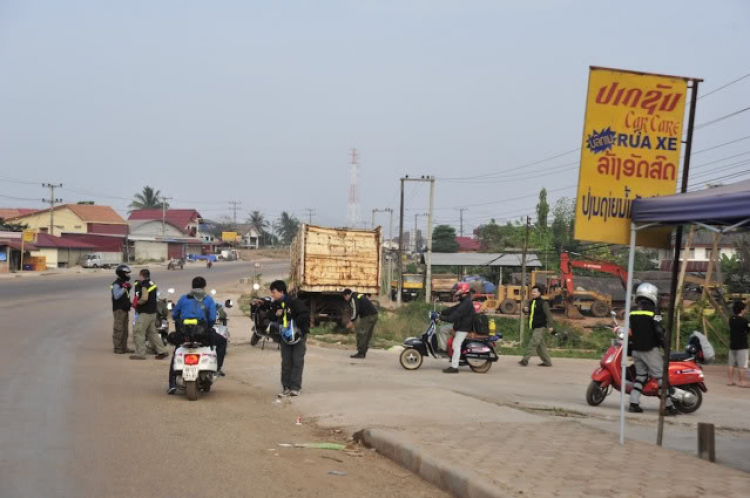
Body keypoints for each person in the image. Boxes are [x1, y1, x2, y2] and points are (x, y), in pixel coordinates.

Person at [166, 276, 226, 394]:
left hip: (184, 335)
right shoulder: (208, 299)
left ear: (192, 286)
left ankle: (172, 385)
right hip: (202, 335)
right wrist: (207, 326)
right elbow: (213, 318)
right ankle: (217, 368)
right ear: (204, 287)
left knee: (177, 351)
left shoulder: (183, 298)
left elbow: (174, 315)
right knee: (222, 342)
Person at [627, 282, 677, 415]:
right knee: (661, 377)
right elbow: (659, 330)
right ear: (652, 295)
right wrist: (665, 346)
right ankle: (668, 406)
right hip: (649, 349)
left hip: (636, 350)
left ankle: (633, 403)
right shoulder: (656, 312)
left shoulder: (632, 311)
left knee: (640, 377)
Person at [270, 280, 310, 397]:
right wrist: (277, 314)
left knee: (297, 361)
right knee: (286, 362)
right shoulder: (275, 303)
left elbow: (304, 314)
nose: (273, 295)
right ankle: (286, 387)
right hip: (285, 337)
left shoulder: (294, 302)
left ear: (281, 292)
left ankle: (295, 387)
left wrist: (293, 325)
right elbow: (271, 316)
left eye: (274, 292)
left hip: (298, 336)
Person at [130, 269, 169, 360]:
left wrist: (137, 303)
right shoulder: (152, 283)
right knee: (152, 333)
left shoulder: (144, 286)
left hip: (145, 313)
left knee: (138, 332)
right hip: (153, 313)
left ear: (142, 275)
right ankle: (162, 351)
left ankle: (141, 353)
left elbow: (144, 298)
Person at [439, 282, 475, 374]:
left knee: (456, 345)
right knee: (442, 329)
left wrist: (442, 318)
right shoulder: (464, 301)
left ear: (462, 291)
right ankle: (443, 349)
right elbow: (454, 309)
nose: (456, 292)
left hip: (463, 327)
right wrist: (442, 312)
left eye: (458, 290)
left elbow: (456, 315)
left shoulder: (467, 302)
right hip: (459, 325)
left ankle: (454, 367)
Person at [519, 285, 554, 367]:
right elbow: (525, 310)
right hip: (534, 327)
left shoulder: (543, 303)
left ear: (539, 293)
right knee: (540, 346)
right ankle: (547, 362)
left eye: (535, 292)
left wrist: (551, 326)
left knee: (533, 342)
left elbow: (549, 315)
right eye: (532, 291)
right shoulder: (531, 302)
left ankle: (525, 360)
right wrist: (525, 309)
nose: (533, 293)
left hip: (540, 326)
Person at [344, 289, 379, 359]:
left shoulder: (353, 298)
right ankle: (363, 351)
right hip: (374, 315)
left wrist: (351, 321)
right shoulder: (358, 295)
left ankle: (360, 353)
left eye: (344, 297)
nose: (345, 299)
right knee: (367, 334)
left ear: (347, 295)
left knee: (361, 333)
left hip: (368, 316)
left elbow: (355, 311)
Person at [111, 264, 134, 354]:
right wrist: (124, 289)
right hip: (119, 310)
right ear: (122, 273)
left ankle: (124, 347)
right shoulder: (116, 284)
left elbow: (126, 297)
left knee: (125, 330)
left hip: (125, 309)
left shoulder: (124, 284)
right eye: (126, 273)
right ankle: (117, 348)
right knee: (118, 329)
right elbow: (116, 296)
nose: (128, 275)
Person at [728, 300, 750, 387]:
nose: (745, 310)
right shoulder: (745, 321)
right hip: (742, 346)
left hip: (732, 345)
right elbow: (748, 330)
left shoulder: (731, 319)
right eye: (744, 309)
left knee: (731, 364)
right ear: (742, 310)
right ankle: (742, 382)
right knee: (742, 365)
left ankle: (730, 381)